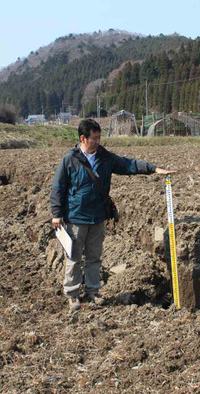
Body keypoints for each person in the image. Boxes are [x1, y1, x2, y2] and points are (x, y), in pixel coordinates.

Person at [50, 118, 176, 312]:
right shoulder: (70, 159)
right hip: (76, 218)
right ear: (83, 138)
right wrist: (57, 214)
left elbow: (128, 165)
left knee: (94, 258)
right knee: (74, 258)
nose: (98, 141)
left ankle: (93, 292)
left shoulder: (104, 157)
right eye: (94, 138)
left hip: (98, 217)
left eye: (99, 137)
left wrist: (153, 169)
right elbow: (58, 187)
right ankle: (73, 294)